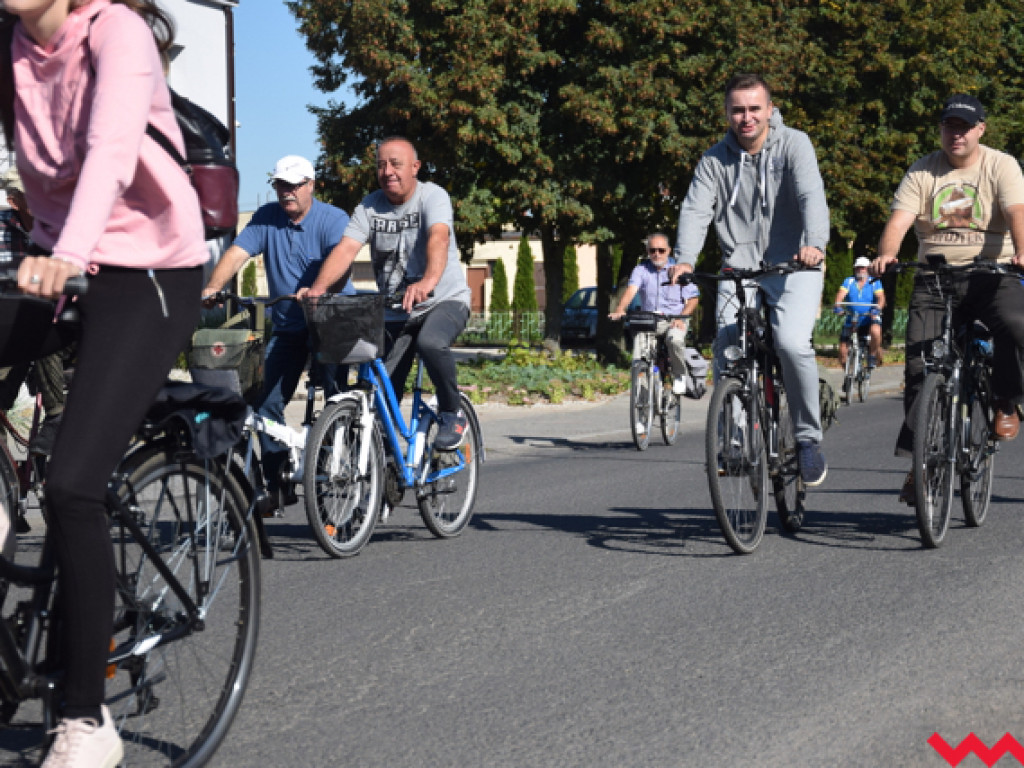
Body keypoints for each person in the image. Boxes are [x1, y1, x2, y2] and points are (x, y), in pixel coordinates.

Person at [0, 0, 209, 765]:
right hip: (56, 260)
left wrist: (72, 250)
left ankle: (86, 721)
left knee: (73, 487)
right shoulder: (10, 45)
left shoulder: (115, 31)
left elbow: (111, 150)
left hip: (149, 268)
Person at [669, 73, 831, 486]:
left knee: (793, 344)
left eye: (754, 108)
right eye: (738, 109)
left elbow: (811, 194)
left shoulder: (795, 144)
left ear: (769, 110)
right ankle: (737, 441)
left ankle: (808, 438)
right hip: (738, 265)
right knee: (728, 348)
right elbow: (695, 210)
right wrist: (684, 259)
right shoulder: (713, 161)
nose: (746, 117)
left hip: (794, 262)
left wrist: (814, 243)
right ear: (727, 113)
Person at [870, 94, 1024, 505]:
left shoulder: (1000, 165)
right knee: (921, 370)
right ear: (940, 129)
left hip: (992, 275)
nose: (956, 134)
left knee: (1015, 325)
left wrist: (1022, 251)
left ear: (980, 130)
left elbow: (1016, 211)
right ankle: (918, 465)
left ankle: (1006, 399)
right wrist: (887, 252)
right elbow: (899, 221)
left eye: (964, 127)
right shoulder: (923, 171)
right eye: (949, 126)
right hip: (935, 278)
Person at [298, 136, 472, 450]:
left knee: (431, 342)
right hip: (398, 309)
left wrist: (427, 282)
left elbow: (439, 239)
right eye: (381, 165)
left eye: (396, 163)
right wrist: (319, 289)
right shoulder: (369, 206)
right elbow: (346, 249)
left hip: (444, 300)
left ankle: (451, 411)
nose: (387, 171)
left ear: (415, 167)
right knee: (379, 388)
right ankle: (386, 466)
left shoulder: (432, 196)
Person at [201, 154, 354, 506]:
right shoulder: (267, 217)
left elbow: (341, 263)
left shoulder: (333, 219)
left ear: (311, 185)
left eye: (294, 185)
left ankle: (335, 463)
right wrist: (213, 287)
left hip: (331, 324)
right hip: (288, 325)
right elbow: (238, 252)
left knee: (335, 398)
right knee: (263, 401)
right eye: (281, 185)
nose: (287, 193)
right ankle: (276, 478)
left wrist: (318, 289)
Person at [0, 168, 68, 456]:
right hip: (10, 329)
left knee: (39, 316)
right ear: (15, 202)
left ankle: (57, 414)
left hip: (55, 328)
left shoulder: (64, 229)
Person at [609, 232, 699, 395]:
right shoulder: (641, 269)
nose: (656, 254)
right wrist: (620, 309)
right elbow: (631, 290)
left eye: (661, 250)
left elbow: (693, 299)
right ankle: (641, 386)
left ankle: (679, 376)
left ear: (669, 251)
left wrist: (681, 318)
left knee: (675, 340)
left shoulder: (679, 270)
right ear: (647, 251)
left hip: (674, 319)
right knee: (639, 342)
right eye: (652, 250)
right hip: (650, 320)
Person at [834, 255, 885, 369]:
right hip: (853, 318)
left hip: (870, 316)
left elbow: (881, 297)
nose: (861, 270)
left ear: (868, 269)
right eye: (858, 268)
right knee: (843, 352)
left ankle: (872, 356)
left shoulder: (874, 282)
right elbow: (840, 295)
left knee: (876, 331)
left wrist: (877, 309)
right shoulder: (849, 281)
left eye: (864, 268)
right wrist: (837, 305)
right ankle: (848, 377)